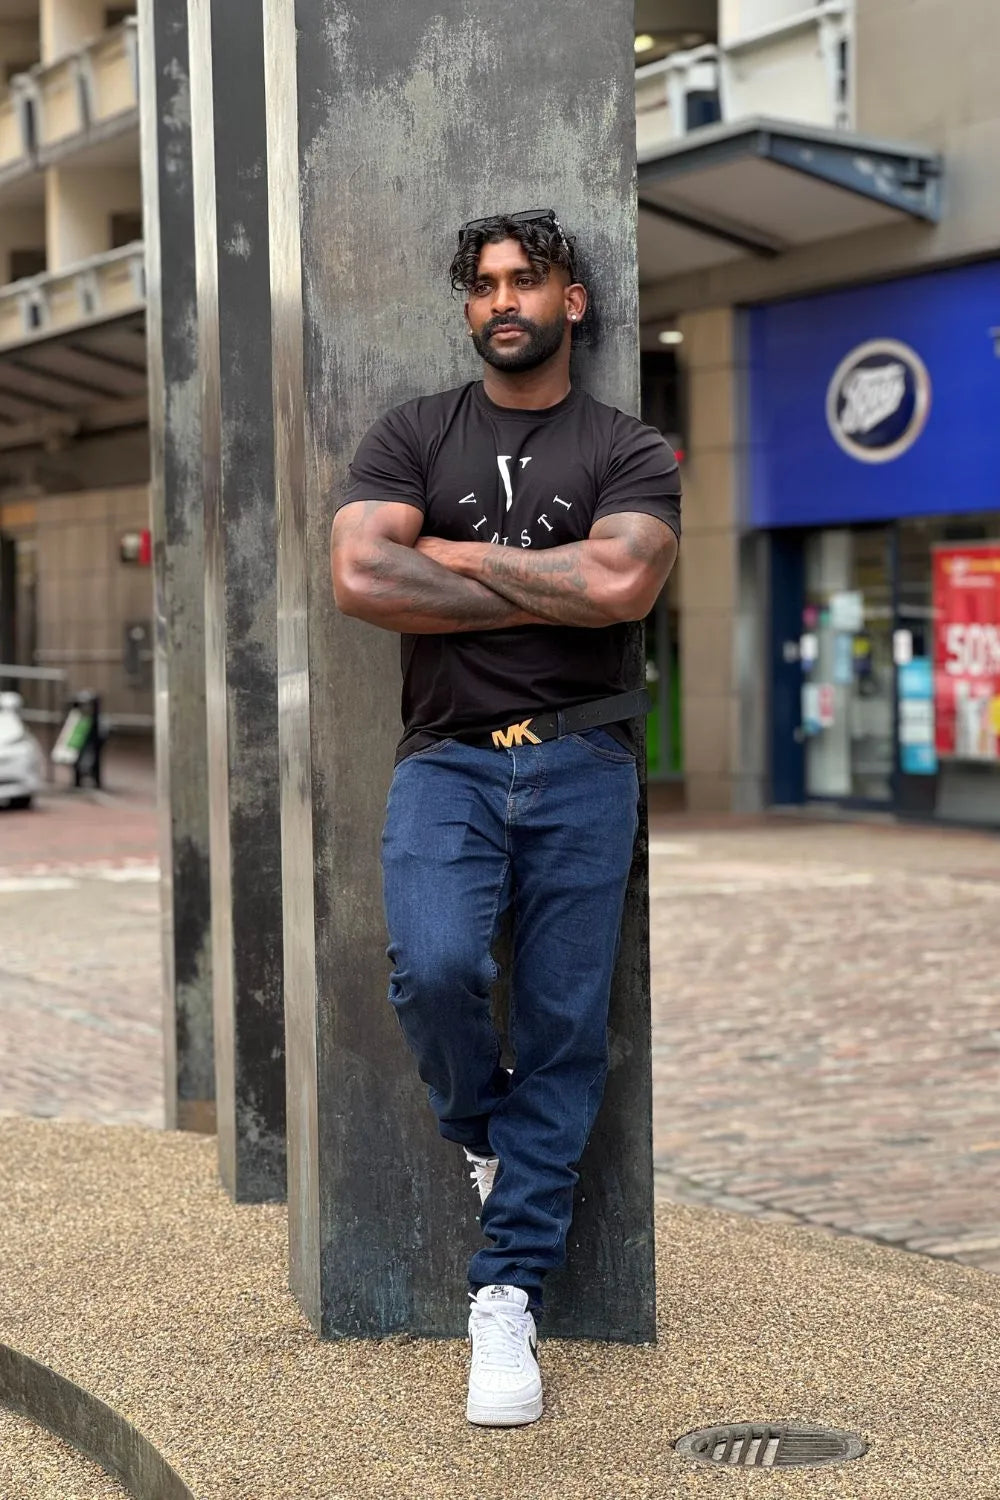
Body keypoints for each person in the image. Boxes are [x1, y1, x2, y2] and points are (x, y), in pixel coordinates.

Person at [331, 210, 681, 1427]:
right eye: (481, 285)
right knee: (431, 970)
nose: (501, 301)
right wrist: (549, 586)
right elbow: (362, 577)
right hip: (450, 762)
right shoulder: (412, 431)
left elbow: (624, 581)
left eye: (524, 280)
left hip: (585, 761)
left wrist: (455, 555)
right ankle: (486, 1128)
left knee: (565, 1025)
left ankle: (506, 1296)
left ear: (571, 300)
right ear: (467, 306)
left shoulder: (627, 448)